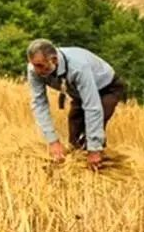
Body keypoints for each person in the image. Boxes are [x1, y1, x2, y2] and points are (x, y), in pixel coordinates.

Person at [26, 39, 129, 170]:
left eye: (40, 65)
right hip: (77, 91)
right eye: (33, 65)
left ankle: (100, 167)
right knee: (75, 138)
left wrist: (94, 149)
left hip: (107, 88)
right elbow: (39, 104)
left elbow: (93, 107)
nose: (36, 70)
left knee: (88, 136)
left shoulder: (78, 67)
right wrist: (53, 141)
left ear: (54, 60)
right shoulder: (34, 70)